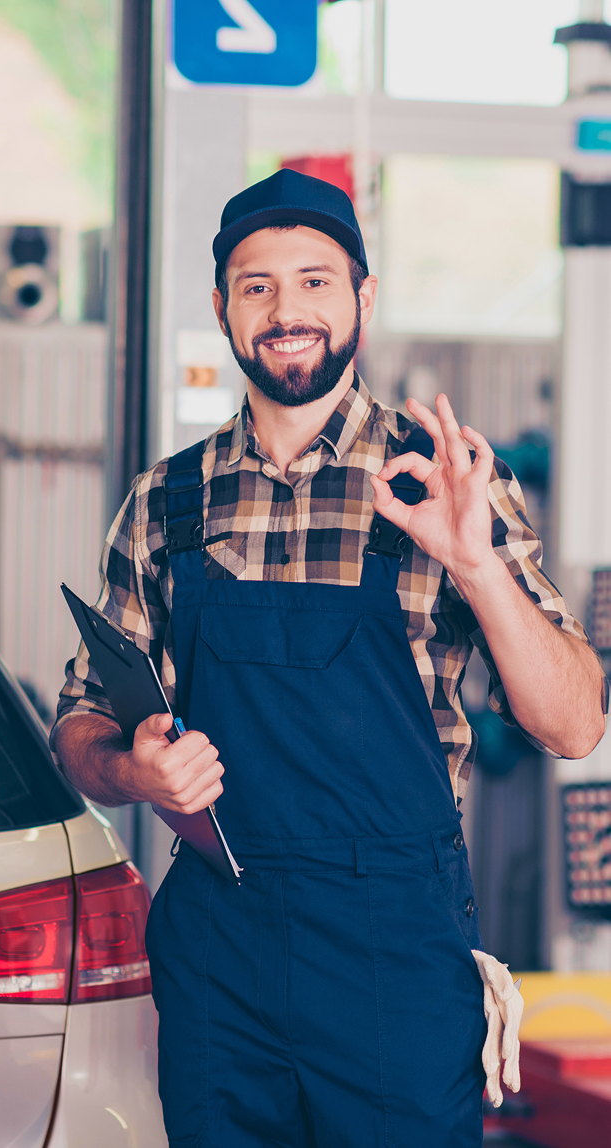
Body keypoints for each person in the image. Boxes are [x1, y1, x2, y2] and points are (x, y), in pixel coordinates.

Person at [52, 170, 606, 1147]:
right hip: (222, 946)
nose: (287, 309)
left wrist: (477, 565)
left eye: (315, 280)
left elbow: (574, 721)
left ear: (364, 296)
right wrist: (131, 767)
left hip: (392, 947)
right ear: (221, 305)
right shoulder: (167, 501)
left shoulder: (441, 481)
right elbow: (81, 726)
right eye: (257, 285)